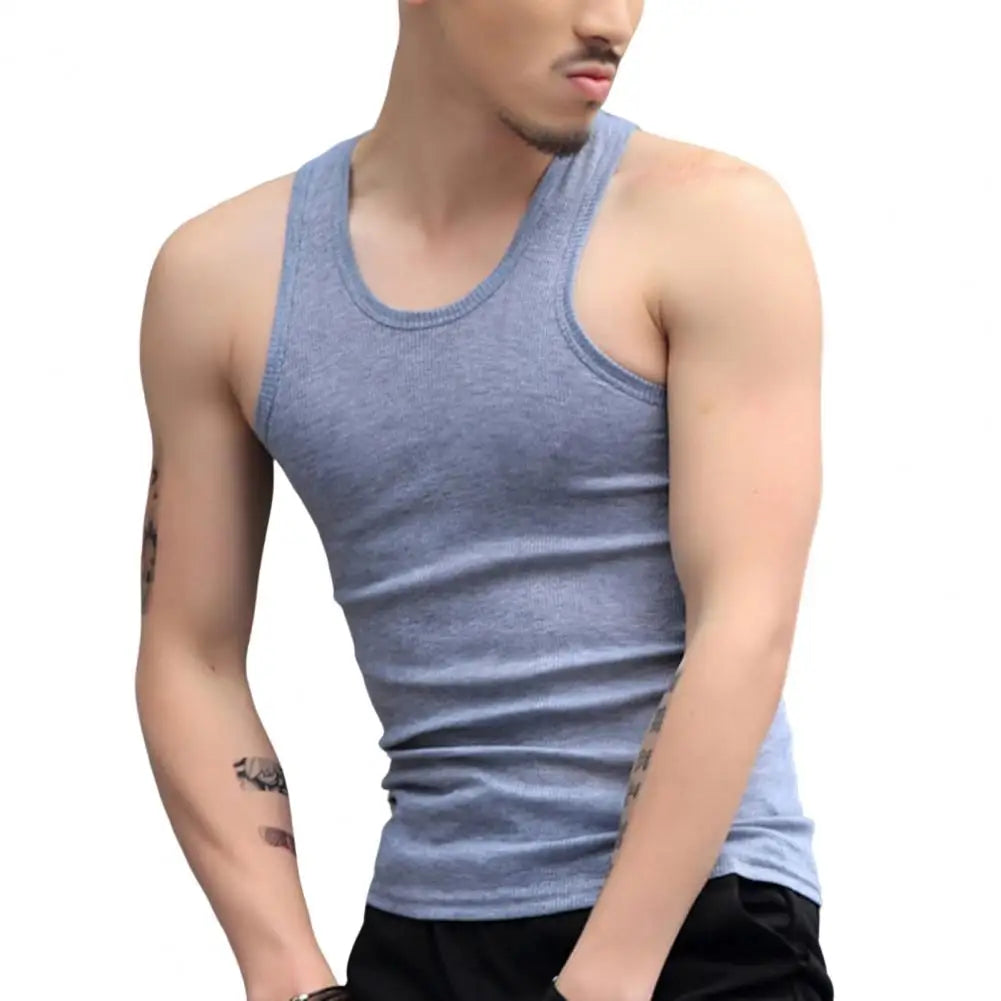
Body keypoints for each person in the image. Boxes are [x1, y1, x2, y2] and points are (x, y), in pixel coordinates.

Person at [135, 2, 834, 1000]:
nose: (611, 20)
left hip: (697, 928)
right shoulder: (219, 279)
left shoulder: (712, 222)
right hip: (421, 934)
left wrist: (608, 975)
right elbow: (189, 652)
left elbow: (745, 620)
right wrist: (286, 970)